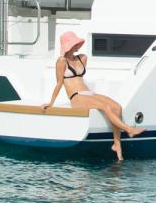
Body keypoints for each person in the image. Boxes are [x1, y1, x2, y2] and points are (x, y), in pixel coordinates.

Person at [44, 31, 144, 160]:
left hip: (88, 93)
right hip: (76, 96)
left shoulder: (82, 58)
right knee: (105, 107)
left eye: (77, 43)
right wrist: (51, 102)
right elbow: (59, 83)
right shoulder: (61, 61)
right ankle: (128, 129)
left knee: (117, 107)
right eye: (75, 44)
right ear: (68, 45)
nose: (78, 46)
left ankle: (116, 144)